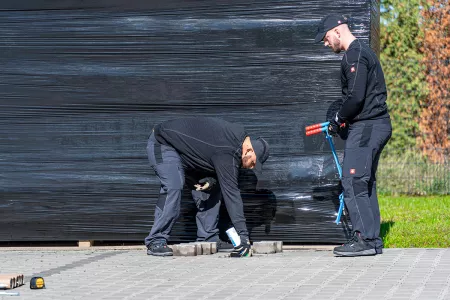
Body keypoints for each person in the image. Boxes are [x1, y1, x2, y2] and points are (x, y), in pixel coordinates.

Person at [314, 15, 392, 256]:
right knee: (364, 182)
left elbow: (356, 97)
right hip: (375, 125)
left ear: (337, 31)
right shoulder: (363, 52)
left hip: (367, 126)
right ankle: (373, 240)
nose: (327, 44)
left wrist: (338, 119)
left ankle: (364, 240)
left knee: (353, 180)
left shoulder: (354, 54)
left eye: (326, 39)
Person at [144, 117, 270, 257]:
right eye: (253, 163)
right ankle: (156, 240)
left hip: (190, 152)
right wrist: (244, 237)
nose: (251, 167)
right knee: (173, 186)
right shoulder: (228, 150)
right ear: (248, 151)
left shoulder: (235, 144)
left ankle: (208, 238)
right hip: (163, 142)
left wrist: (211, 180)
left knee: (212, 187)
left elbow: (211, 155)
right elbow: (232, 194)